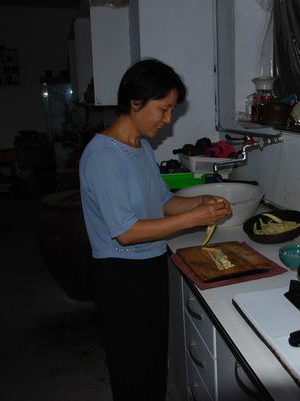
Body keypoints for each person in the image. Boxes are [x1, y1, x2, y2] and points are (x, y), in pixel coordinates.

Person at [79, 58, 231, 401]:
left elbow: (161, 201)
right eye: (164, 109)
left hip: (150, 266)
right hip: (119, 276)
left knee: (151, 361)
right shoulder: (103, 156)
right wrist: (193, 219)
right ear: (135, 102)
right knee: (131, 367)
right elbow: (126, 232)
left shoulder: (142, 148)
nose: (168, 120)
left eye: (171, 110)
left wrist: (199, 201)